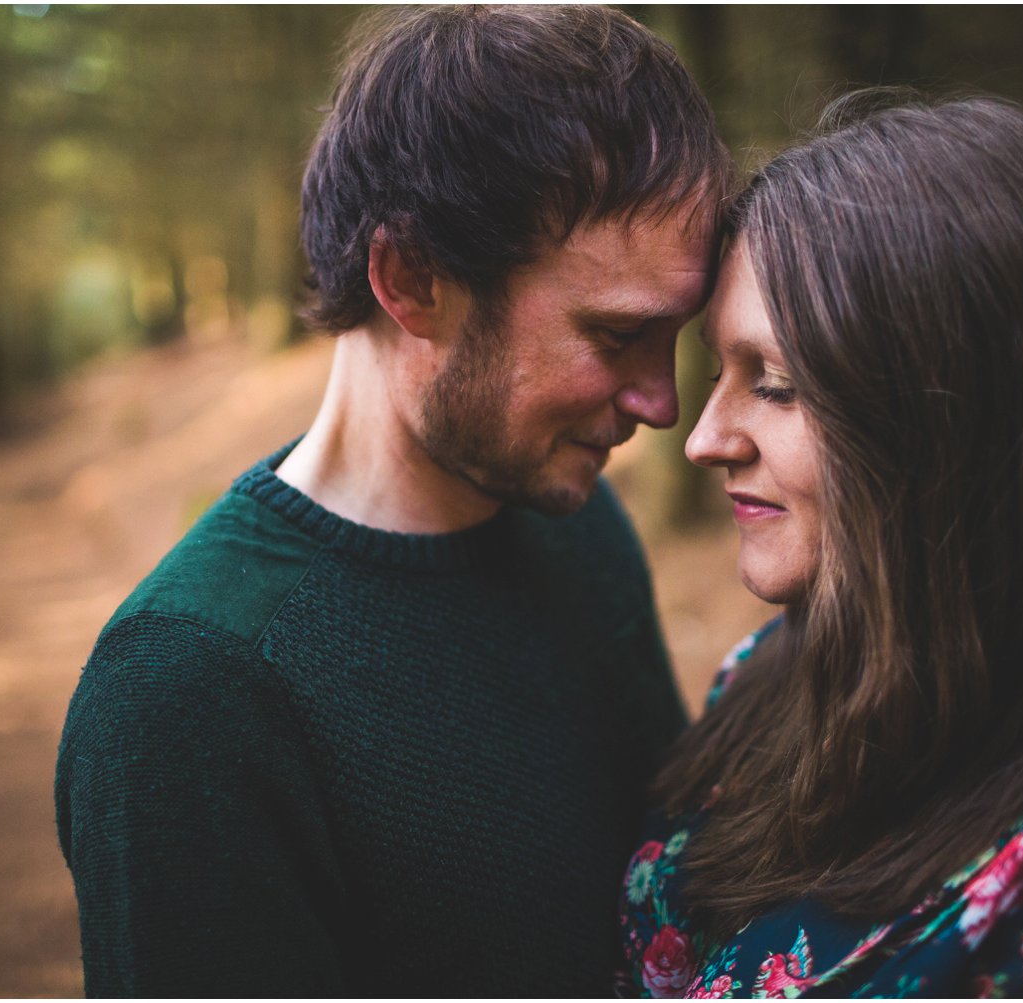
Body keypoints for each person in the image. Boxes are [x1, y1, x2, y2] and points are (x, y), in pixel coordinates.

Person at [56, 5, 731, 996]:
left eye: (674, 336)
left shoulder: (581, 525)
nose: (665, 404)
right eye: (616, 336)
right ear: (413, 280)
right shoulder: (186, 695)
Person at [620, 94, 1023, 998]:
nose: (704, 437)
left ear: (961, 420)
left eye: (774, 384)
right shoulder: (770, 671)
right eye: (719, 369)